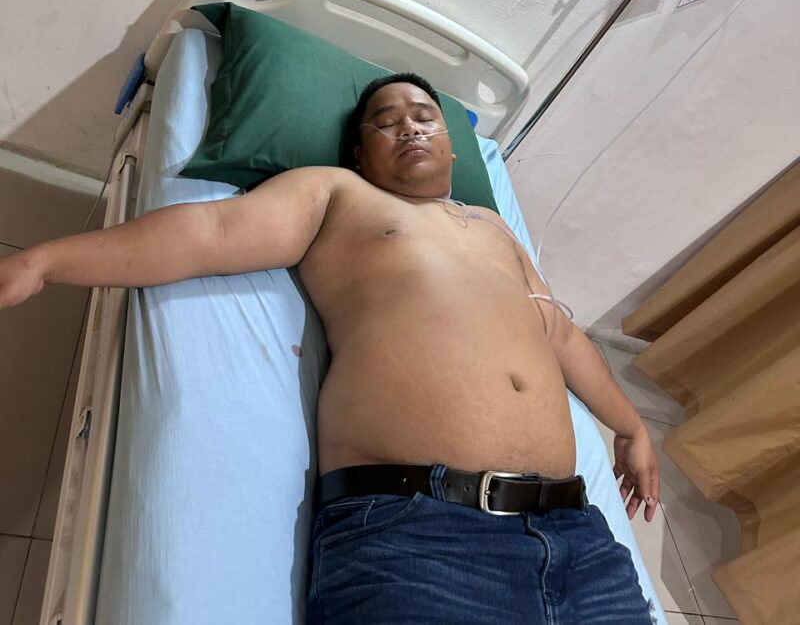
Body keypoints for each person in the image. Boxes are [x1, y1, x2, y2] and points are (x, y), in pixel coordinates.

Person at [0, 72, 659, 623]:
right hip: (423, 533)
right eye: (385, 121)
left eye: (425, 116)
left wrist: (630, 427)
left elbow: (559, 332)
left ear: (454, 148)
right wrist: (44, 263)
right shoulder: (340, 195)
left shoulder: (493, 226)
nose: (409, 127)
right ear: (358, 154)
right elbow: (213, 231)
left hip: (579, 538)